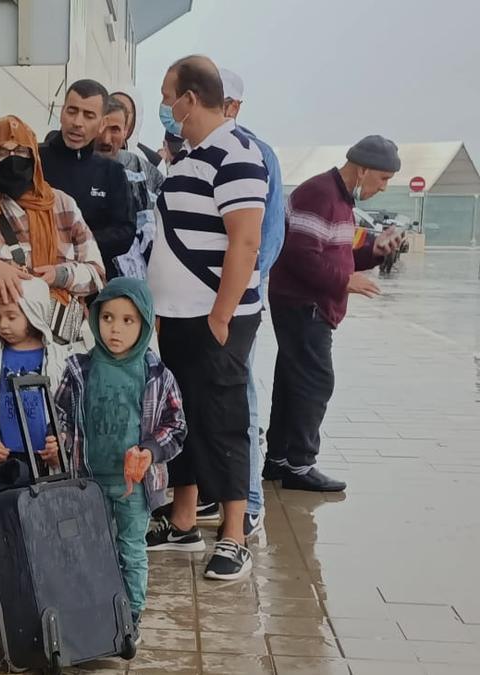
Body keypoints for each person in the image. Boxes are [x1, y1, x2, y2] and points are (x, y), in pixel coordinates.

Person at [144, 56, 266, 582]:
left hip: (216, 319)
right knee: (184, 418)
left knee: (223, 422)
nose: (166, 107)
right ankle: (183, 520)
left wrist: (220, 316)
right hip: (178, 317)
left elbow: (246, 239)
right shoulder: (190, 156)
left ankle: (234, 533)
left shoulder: (236, 153)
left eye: (169, 96)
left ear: (190, 99)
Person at [264, 136, 405, 491]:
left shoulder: (340, 200)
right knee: (315, 382)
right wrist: (345, 280)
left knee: (293, 381)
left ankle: (279, 459)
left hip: (305, 304)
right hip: (302, 304)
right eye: (383, 178)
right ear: (362, 169)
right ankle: (300, 464)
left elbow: (337, 254)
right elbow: (301, 255)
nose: (384, 187)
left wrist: (376, 251)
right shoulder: (320, 194)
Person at [56, 277, 186, 624]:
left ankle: (131, 615)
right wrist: (57, 441)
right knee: (90, 548)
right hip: (87, 481)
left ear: (145, 323)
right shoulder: (79, 369)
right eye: (107, 317)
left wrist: (149, 451)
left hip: (135, 487)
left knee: (131, 549)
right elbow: (61, 417)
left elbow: (176, 427)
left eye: (128, 320)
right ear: (95, 318)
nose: (115, 329)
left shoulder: (156, 373)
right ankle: (96, 609)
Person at [0, 115, 105, 372]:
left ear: (34, 156)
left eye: (21, 151)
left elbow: (96, 272)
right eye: (1, 154)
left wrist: (59, 275)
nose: (12, 160)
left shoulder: (62, 204)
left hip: (59, 350)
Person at [219, 68, 286, 532]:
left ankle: (251, 501)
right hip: (198, 299)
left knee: (239, 391)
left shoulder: (256, 154)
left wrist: (238, 293)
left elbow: (266, 238)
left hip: (236, 298)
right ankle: (213, 492)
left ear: (232, 107)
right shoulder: (193, 150)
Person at [38, 79, 136, 278]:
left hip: (91, 284)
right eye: (72, 111)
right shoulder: (34, 160)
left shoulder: (112, 172)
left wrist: (74, 243)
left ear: (101, 124)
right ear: (62, 112)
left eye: (89, 115)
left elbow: (124, 233)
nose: (77, 123)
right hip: (37, 277)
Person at [0, 277, 66, 470]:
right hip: (6, 459)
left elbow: (69, 409)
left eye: (11, 317)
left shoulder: (58, 359)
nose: (2, 325)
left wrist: (61, 445)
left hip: (45, 459)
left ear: (34, 313)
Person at [97, 96, 164, 280]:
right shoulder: (73, 166)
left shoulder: (141, 169)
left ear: (126, 131)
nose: (106, 139)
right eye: (101, 128)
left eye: (115, 130)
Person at [110, 87, 165, 169]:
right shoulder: (89, 153)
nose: (116, 116)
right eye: (110, 109)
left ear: (136, 117)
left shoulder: (153, 162)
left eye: (124, 111)